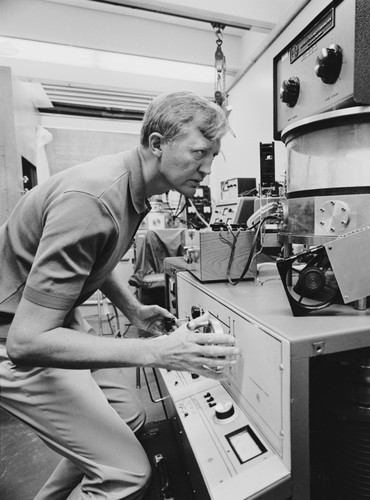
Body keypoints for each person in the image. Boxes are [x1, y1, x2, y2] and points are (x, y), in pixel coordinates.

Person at [0, 91, 240, 499]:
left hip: (55, 319)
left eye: (213, 157)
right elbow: (27, 343)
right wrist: (159, 351)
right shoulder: (93, 198)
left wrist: (131, 308)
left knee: (128, 416)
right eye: (199, 152)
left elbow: (95, 255)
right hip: (12, 338)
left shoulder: (131, 186)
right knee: (126, 474)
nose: (207, 169)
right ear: (157, 144)